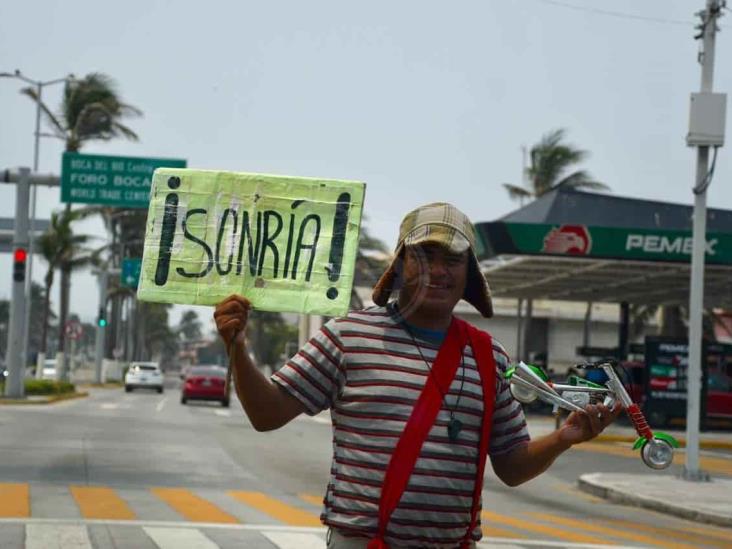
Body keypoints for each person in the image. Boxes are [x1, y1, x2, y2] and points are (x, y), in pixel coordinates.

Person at [214, 202, 621, 549]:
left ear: (469, 274)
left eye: (453, 259)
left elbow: (513, 468)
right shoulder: (347, 336)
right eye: (423, 255)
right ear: (399, 264)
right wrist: (238, 347)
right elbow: (266, 415)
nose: (438, 271)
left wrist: (563, 439)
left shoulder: (488, 356)